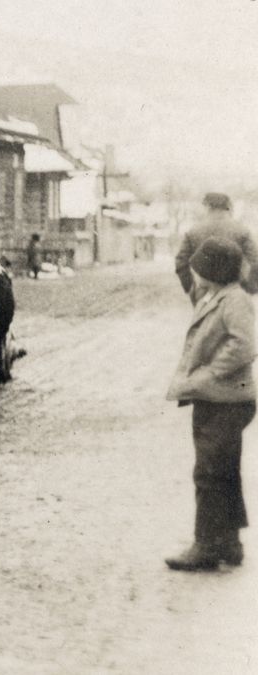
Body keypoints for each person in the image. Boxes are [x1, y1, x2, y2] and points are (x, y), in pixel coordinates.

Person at [165, 236, 256, 571]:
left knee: (209, 472)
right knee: (224, 471)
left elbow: (244, 344)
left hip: (226, 398)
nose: (194, 275)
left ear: (214, 271)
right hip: (218, 398)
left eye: (199, 269)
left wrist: (210, 374)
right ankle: (229, 543)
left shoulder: (234, 300)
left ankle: (206, 545)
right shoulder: (217, 295)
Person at [174, 192, 258, 303]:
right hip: (234, 292)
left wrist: (190, 288)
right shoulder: (242, 230)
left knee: (207, 320)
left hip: (204, 292)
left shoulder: (193, 231)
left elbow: (180, 262)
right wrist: (250, 288)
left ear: (207, 206)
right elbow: (255, 261)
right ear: (227, 207)